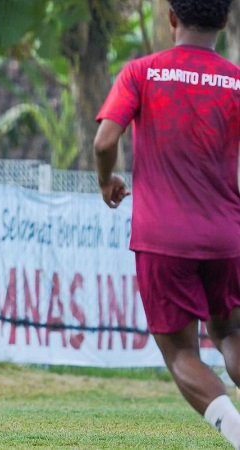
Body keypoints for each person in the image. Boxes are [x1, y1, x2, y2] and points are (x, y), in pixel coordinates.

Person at [94, 1, 240, 448]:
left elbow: (105, 140)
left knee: (180, 351)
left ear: (172, 19)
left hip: (163, 239)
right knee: (232, 332)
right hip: (226, 234)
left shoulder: (142, 72)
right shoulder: (236, 82)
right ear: (225, 21)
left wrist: (107, 181)